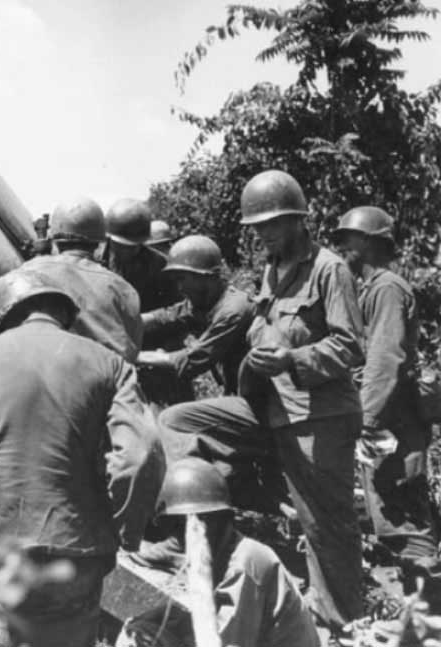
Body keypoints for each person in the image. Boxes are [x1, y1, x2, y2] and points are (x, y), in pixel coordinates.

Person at [157, 169, 365, 628]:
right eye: (257, 229)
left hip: (319, 415)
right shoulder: (271, 271)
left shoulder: (329, 269)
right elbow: (262, 326)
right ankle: (192, 532)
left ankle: (341, 619)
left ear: (297, 221)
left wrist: (292, 358)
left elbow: (350, 346)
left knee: (325, 523)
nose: (263, 236)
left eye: (270, 225)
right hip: (267, 407)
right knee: (178, 421)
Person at [0, 268, 166, 647]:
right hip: (73, 547)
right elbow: (140, 456)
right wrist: (123, 533)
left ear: (4, 316)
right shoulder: (109, 363)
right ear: (64, 314)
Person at [333, 206, 439, 572]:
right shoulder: (372, 290)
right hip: (386, 421)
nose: (342, 247)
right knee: (390, 516)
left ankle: (432, 619)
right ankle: (418, 613)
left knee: (406, 521)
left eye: (347, 239)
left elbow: (385, 359)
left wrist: (366, 420)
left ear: (367, 242)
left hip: (394, 421)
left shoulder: (388, 289)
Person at [117, 458, 319, 647]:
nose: (195, 531)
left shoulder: (247, 561)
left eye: (202, 521)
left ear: (223, 519)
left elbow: (227, 640)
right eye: (181, 525)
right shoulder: (218, 548)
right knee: (139, 630)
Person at [22, 196, 143, 361]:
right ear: (99, 242)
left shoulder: (25, 274)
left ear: (54, 238)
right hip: (106, 379)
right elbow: (133, 348)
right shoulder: (123, 288)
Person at [137, 235, 254, 403]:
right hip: (237, 392)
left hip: (258, 402)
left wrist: (137, 356)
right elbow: (167, 316)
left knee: (172, 420)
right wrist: (124, 322)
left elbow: (193, 360)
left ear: (204, 277)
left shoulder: (233, 311)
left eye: (182, 279)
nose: (179, 287)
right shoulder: (207, 301)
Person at [103, 198, 182, 313]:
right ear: (109, 238)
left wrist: (147, 321)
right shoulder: (92, 260)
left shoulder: (158, 264)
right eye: (121, 245)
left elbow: (174, 306)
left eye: (134, 246)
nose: (127, 251)